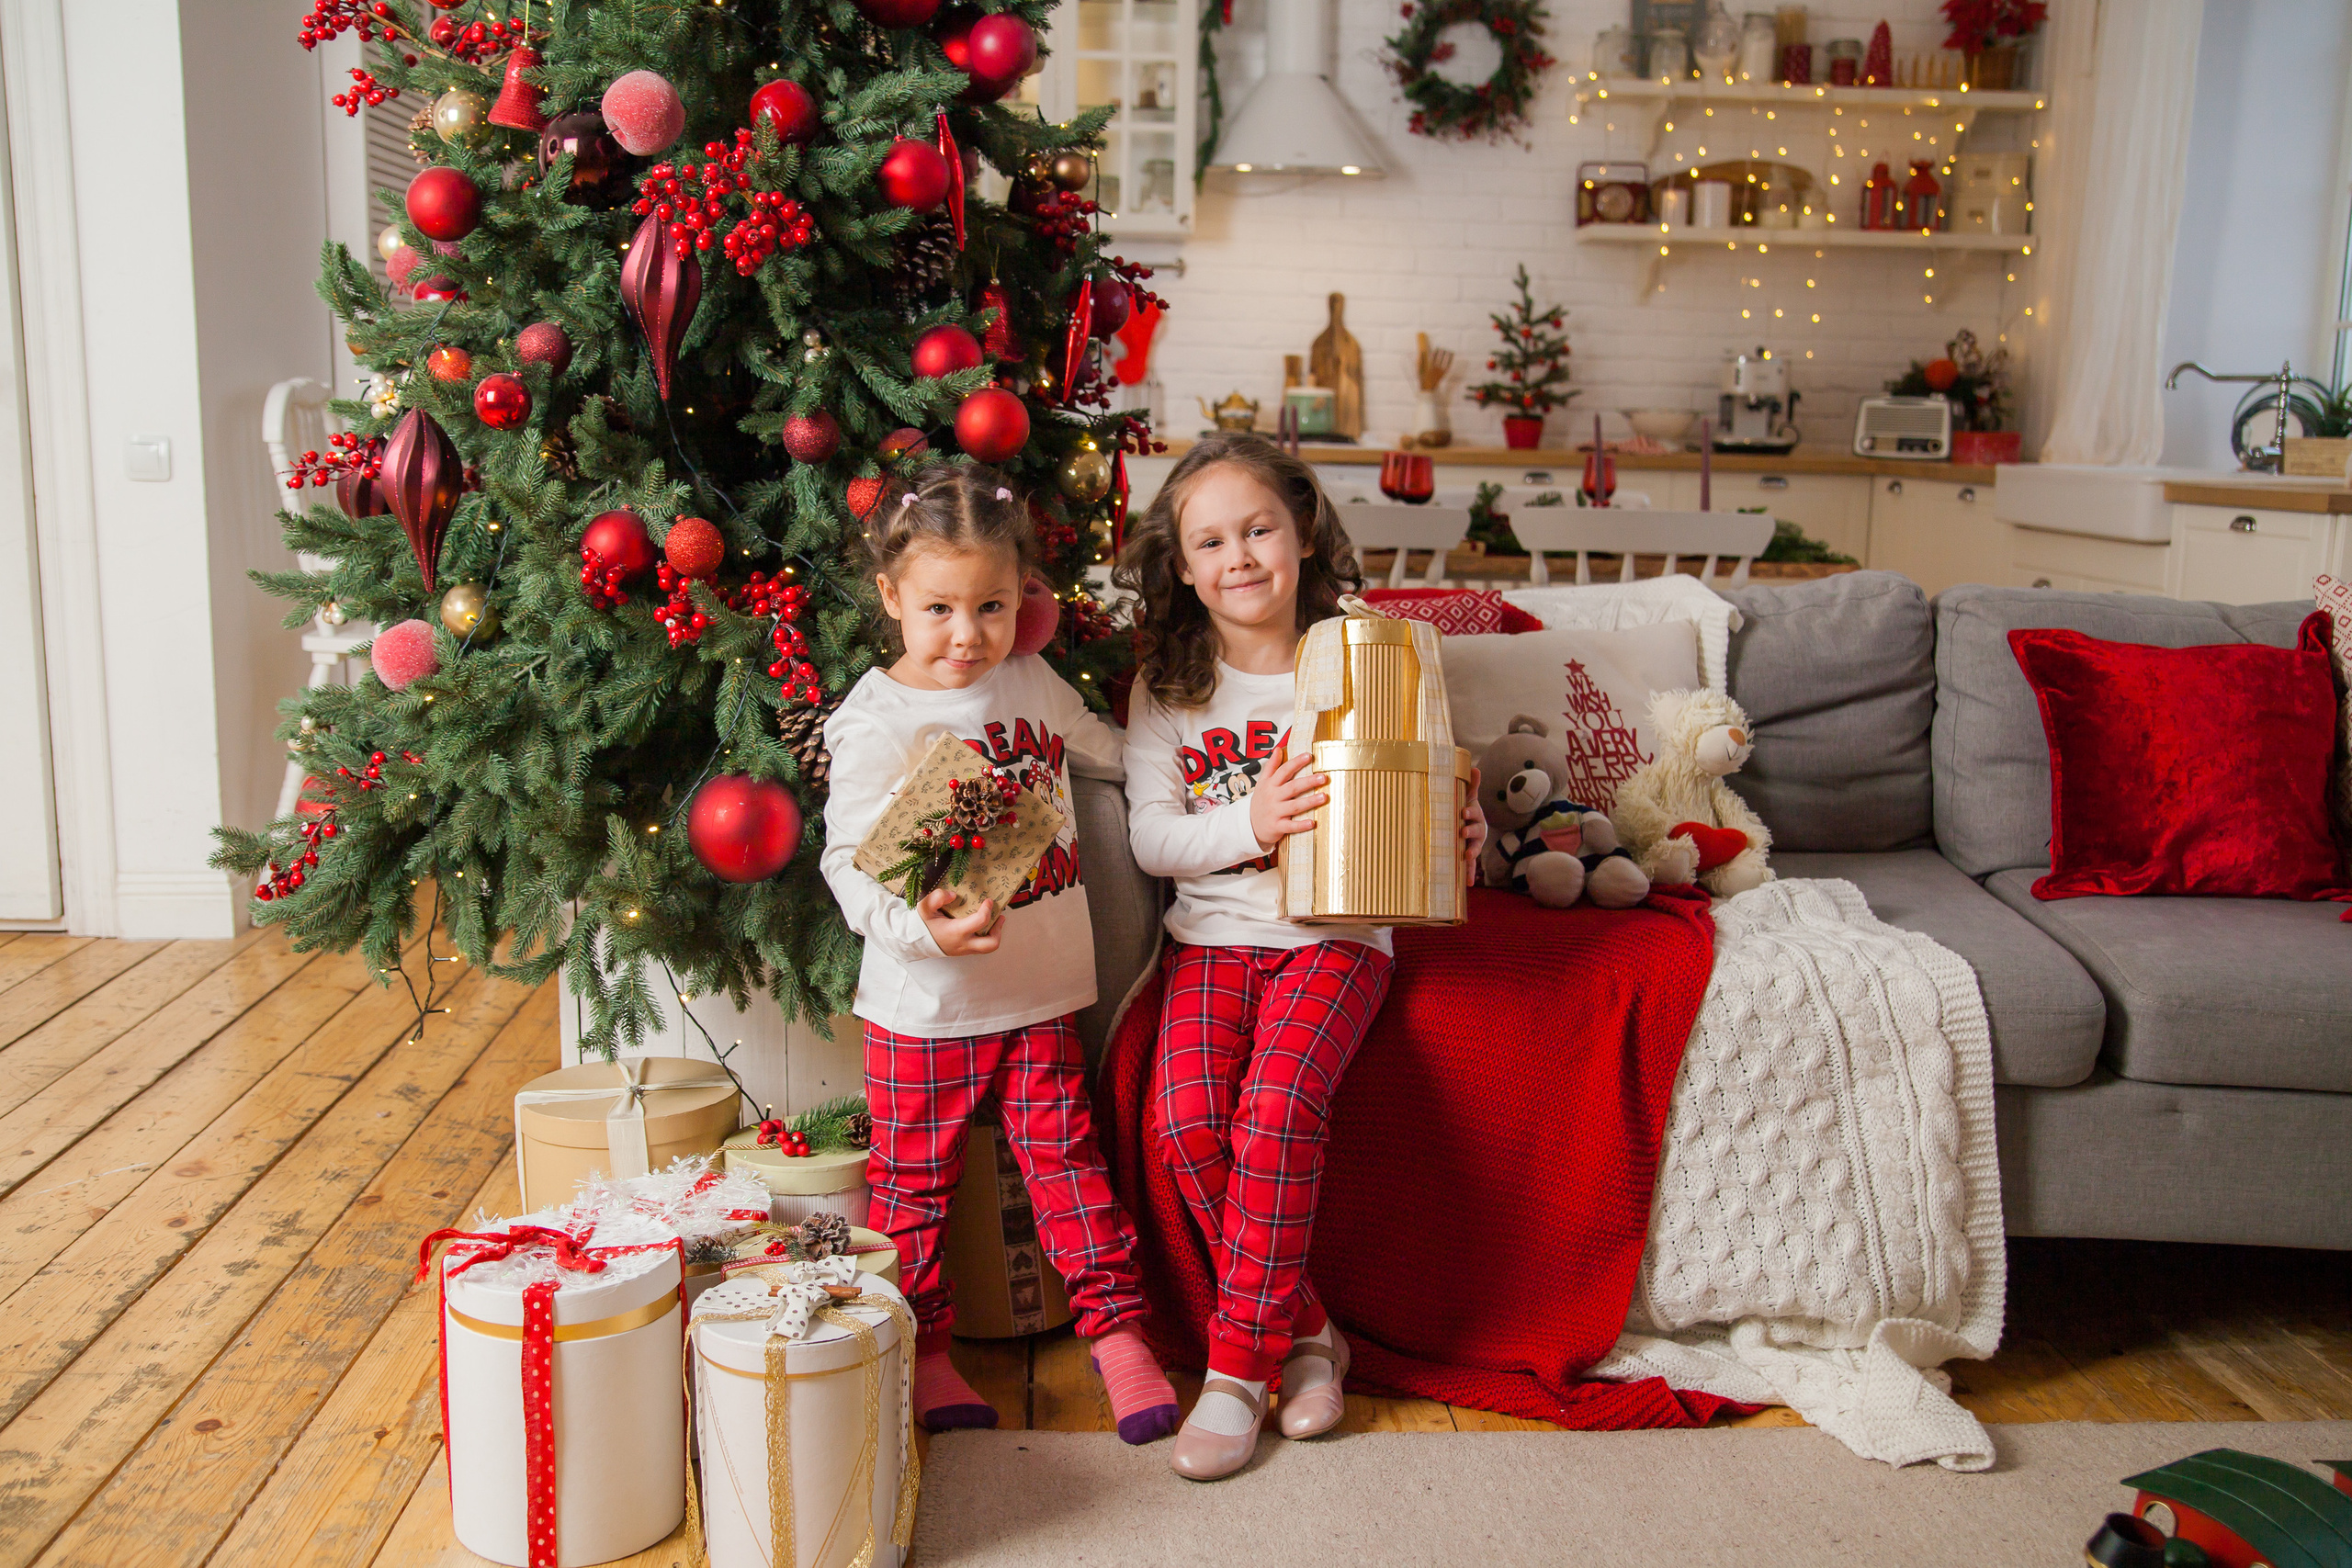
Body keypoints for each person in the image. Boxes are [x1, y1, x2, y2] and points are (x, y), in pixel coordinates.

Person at [1115, 433, 1486, 1479]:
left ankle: (1234, 1373)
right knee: (1185, 1122)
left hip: (1335, 938)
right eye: (1210, 541)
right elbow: (1152, 840)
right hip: (1214, 942)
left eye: (1258, 528)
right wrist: (1254, 821)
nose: (1237, 557)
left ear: (1304, 531)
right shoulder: (1169, 688)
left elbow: (1433, 790)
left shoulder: (1367, 655)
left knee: (1277, 1106)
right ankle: (1310, 1335)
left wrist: (1463, 839)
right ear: (1182, 566)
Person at [820, 463, 1177, 1443]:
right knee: (912, 1185)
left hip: (1041, 996)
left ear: (1024, 596)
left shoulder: (1027, 677)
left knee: (1067, 1163)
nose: (967, 635)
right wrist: (920, 931)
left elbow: (1103, 746)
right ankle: (924, 1354)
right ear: (892, 597)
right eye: (938, 608)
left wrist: (1188, 760)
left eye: (991, 604)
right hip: (925, 1007)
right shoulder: (877, 720)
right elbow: (851, 869)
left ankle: (1118, 1337)